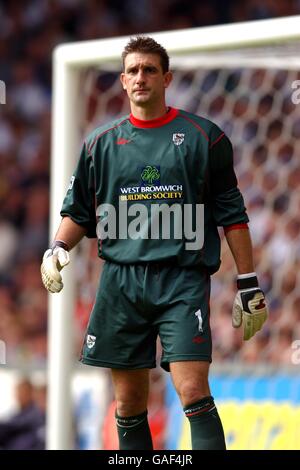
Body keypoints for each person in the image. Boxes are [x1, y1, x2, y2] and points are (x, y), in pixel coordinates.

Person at [41, 36, 268, 450]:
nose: (140, 77)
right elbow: (78, 212)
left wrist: (247, 281)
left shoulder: (205, 137)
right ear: (123, 82)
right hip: (120, 282)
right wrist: (57, 247)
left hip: (181, 280)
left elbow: (232, 215)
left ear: (167, 78)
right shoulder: (99, 144)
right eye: (132, 71)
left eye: (149, 69)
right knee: (128, 401)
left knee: (193, 389)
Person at [0, 378, 46, 450]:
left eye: (21, 392)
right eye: (17, 392)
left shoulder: (35, 414)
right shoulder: (18, 413)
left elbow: (13, 425)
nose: (17, 396)